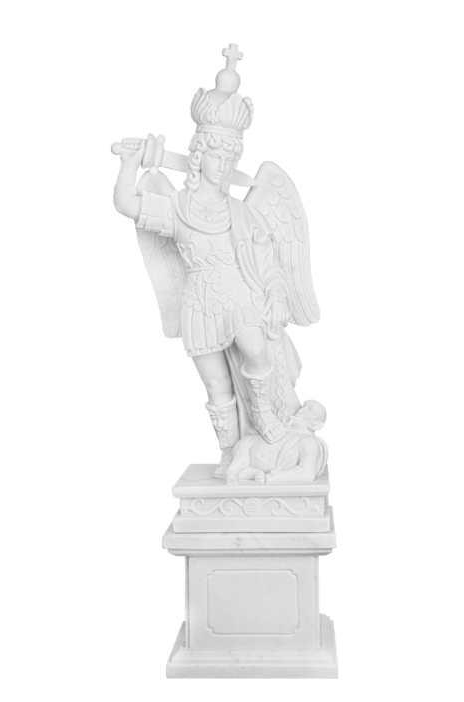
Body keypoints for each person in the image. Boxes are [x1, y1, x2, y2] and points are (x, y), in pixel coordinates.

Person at [113, 47, 319, 477]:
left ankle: (264, 414)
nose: (223, 166)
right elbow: (127, 203)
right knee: (216, 385)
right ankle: (230, 452)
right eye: (216, 156)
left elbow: (268, 263)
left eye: (231, 158)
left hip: (238, 295)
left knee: (256, 349)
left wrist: (277, 292)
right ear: (198, 155)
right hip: (199, 302)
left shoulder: (241, 212)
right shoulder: (178, 208)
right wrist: (129, 164)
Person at [225, 400, 328, 484]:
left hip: (267, 476)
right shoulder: (282, 429)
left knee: (235, 469)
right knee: (236, 466)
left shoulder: (309, 442)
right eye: (304, 405)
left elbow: (307, 473)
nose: (301, 410)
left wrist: (279, 477)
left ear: (315, 425)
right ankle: (247, 473)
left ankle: (243, 473)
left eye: (310, 410)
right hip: (246, 446)